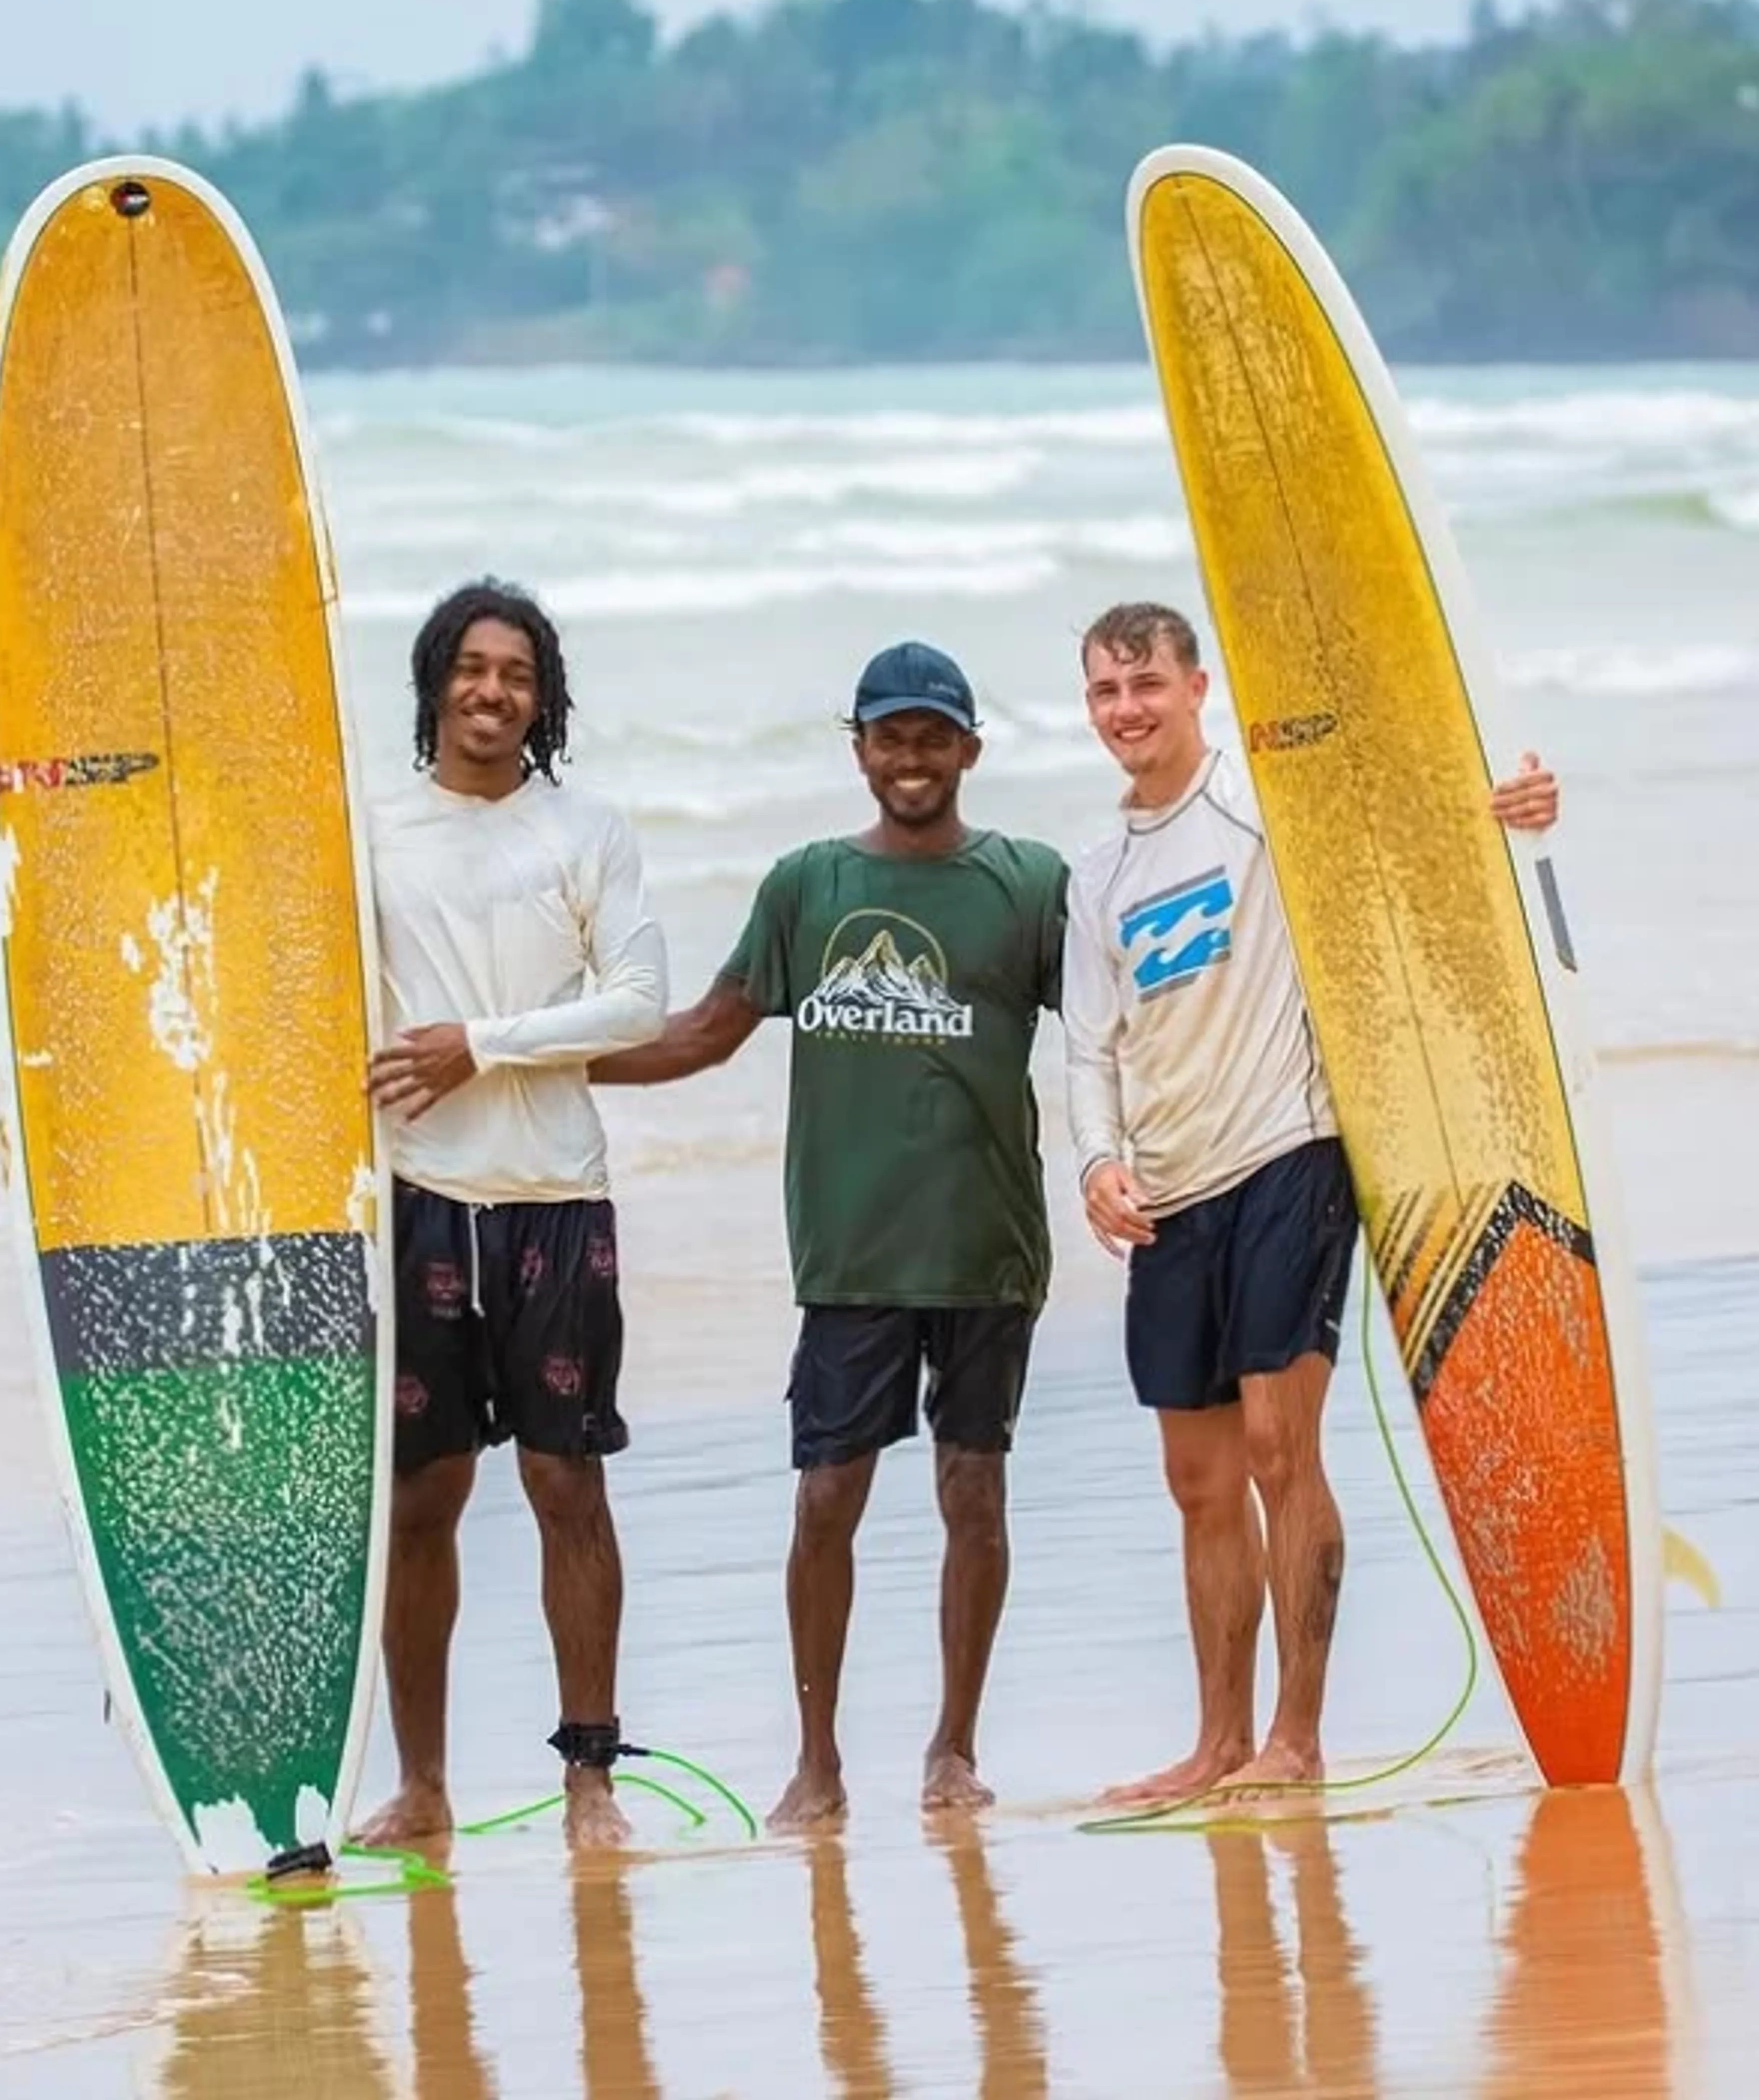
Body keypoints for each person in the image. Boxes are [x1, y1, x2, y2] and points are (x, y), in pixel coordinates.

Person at [0, 576, 666, 1848]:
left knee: (568, 1484)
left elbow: (638, 1004)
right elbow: (191, 813)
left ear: (544, 699)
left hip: (556, 1193)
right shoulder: (366, 819)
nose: (493, 691)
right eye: (472, 667)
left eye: (519, 674)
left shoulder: (588, 830)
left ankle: (589, 1777)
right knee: (421, 1499)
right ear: (434, 679)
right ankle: (426, 1784)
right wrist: (21, 783)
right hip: (413, 1202)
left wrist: (477, 1045)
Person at [1062, 599, 1559, 1806]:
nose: (1127, 709)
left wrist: (1513, 803)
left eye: (1147, 684)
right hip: (1172, 1189)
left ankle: (1298, 1735)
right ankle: (1218, 1741)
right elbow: (1091, 1045)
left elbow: (1407, 819)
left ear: (1198, 686)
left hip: (1289, 1151)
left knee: (1284, 1447)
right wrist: (1095, 1162)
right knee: (1198, 1481)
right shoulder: (1099, 874)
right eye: (1105, 691)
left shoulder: (1265, 810)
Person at [592, 641, 1067, 1829]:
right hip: (851, 1254)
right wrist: (526, 1065)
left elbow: (1129, 1019)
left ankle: (953, 1749)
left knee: (975, 1493)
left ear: (971, 747)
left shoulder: (1028, 882)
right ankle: (818, 1760)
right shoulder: (808, 885)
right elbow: (705, 1032)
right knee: (825, 1501)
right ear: (857, 747)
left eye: (932, 735)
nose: (910, 758)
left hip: (987, 1243)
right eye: (889, 735)